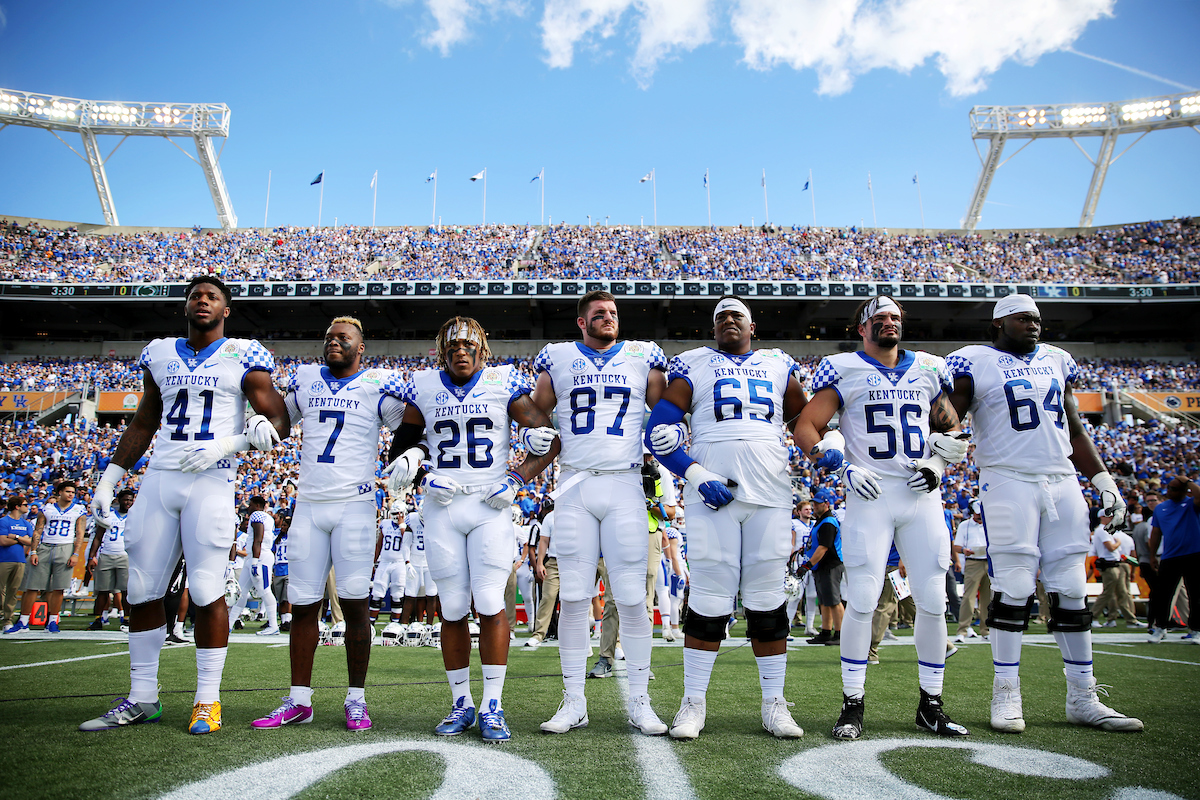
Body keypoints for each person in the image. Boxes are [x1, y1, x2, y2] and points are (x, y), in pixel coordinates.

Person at [79, 275, 288, 734]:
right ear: (185, 305)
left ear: (226, 309)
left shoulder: (243, 355)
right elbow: (144, 419)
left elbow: (278, 421)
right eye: (195, 295)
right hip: (160, 477)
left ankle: (207, 700)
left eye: (212, 296)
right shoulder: (159, 352)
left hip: (211, 479)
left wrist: (228, 444)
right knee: (141, 589)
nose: (203, 301)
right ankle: (142, 697)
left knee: (210, 589)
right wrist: (110, 478)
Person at [946, 293, 1142, 732]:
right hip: (1007, 477)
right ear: (997, 325)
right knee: (1013, 585)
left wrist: (1103, 480)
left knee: (1071, 586)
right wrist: (942, 446)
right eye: (1022, 318)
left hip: (1061, 479)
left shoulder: (1056, 359)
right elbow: (952, 422)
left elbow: (1073, 427)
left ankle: (1083, 696)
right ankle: (1006, 694)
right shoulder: (973, 361)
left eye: (1037, 318)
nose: (1034, 324)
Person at [795, 295, 972, 741]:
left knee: (933, 599)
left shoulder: (930, 368)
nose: (889, 323)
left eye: (895, 317)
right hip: (869, 494)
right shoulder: (844, 369)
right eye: (880, 317)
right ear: (862, 327)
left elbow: (951, 431)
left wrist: (937, 464)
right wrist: (841, 465)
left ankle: (931, 705)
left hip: (921, 495)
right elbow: (805, 426)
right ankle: (852, 704)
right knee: (862, 598)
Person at [384, 316, 560, 742]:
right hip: (442, 505)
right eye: (453, 347)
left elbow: (551, 439)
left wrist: (516, 479)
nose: (461, 351)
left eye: (468, 345)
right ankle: (461, 702)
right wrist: (423, 474)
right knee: (452, 607)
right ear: (443, 352)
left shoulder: (502, 382)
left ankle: (492, 705)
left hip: (489, 503)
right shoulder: (423, 386)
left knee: (489, 601)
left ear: (481, 350)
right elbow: (400, 450)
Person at [647, 295, 808, 740]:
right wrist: (695, 475)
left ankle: (774, 702)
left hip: (770, 492)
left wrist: (826, 442)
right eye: (721, 317)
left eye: (737, 315)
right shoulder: (694, 364)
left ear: (752, 326)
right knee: (710, 597)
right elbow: (658, 429)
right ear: (713, 328)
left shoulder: (778, 363)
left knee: (767, 598)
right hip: (711, 493)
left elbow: (804, 418)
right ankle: (693, 701)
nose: (729, 321)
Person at [252, 316, 405, 732]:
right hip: (309, 506)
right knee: (302, 604)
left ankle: (356, 698)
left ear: (361, 347)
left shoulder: (377, 384)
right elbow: (282, 423)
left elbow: (409, 426)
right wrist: (261, 422)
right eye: (329, 337)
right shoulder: (305, 378)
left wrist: (406, 463)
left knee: (356, 605)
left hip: (353, 506)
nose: (334, 342)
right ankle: (299, 699)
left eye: (344, 337)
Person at [531, 291, 669, 736]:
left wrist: (674, 430)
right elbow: (536, 411)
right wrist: (534, 433)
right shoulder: (558, 357)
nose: (607, 318)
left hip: (625, 480)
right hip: (573, 482)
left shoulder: (642, 355)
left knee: (631, 597)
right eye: (598, 314)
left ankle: (640, 701)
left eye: (612, 313)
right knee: (572, 596)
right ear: (581, 322)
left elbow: (666, 410)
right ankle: (573, 701)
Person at [10, 480, 88, 634]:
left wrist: (75, 553)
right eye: (68, 491)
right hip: (45, 546)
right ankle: (23, 621)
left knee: (58, 588)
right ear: (60, 492)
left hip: (65, 547)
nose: (71, 494)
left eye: (73, 492)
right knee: (32, 586)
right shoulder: (47, 508)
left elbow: (80, 533)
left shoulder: (79, 510)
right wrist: (33, 551)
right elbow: (38, 531)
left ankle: (53, 621)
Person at [1147, 475, 1200, 643]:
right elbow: (1156, 533)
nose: (1169, 491)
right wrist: (1152, 555)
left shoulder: (1192, 504)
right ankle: (1161, 627)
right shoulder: (1160, 508)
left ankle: (1197, 629)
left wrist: (1188, 480)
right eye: (1169, 487)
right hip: (1170, 556)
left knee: (1196, 595)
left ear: (1185, 491)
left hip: (1194, 554)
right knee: (1163, 594)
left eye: (1174, 489)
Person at [792, 488, 844, 646]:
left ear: (826, 504)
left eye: (818, 504)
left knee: (834, 600)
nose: (815, 506)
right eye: (814, 503)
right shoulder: (821, 520)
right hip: (822, 565)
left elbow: (823, 547)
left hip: (830, 564)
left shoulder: (828, 522)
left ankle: (840, 634)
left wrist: (807, 565)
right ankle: (826, 631)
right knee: (824, 600)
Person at [86, 488, 134, 631]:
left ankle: (127, 619)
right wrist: (92, 556)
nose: (128, 502)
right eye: (126, 499)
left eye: (131, 500)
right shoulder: (108, 515)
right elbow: (98, 537)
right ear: (118, 500)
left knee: (126, 590)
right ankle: (98, 619)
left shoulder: (135, 516)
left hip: (125, 555)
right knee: (102, 590)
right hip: (106, 554)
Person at [952, 500, 991, 643]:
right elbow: (956, 546)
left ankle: (985, 630)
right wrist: (964, 551)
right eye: (977, 514)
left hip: (988, 560)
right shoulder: (965, 526)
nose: (980, 517)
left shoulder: (989, 525)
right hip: (973, 562)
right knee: (969, 597)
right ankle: (962, 630)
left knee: (987, 598)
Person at [370, 501, 407, 628]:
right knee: (377, 592)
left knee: (398, 593)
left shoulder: (407, 525)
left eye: (398, 513)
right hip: (385, 562)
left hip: (399, 562)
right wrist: (373, 562)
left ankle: (395, 624)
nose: (396, 516)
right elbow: (379, 544)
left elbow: (407, 541)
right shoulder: (385, 524)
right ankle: (371, 622)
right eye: (394, 513)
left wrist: (402, 525)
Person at [0, 496, 32, 629]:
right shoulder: (3, 521)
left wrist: (16, 537)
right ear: (17, 506)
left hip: (20, 560)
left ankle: (8, 620)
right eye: (25, 504)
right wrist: (21, 539)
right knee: (1, 590)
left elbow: (31, 541)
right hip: (3, 559)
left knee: (13, 591)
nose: (27, 507)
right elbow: (3, 541)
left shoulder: (26, 524)